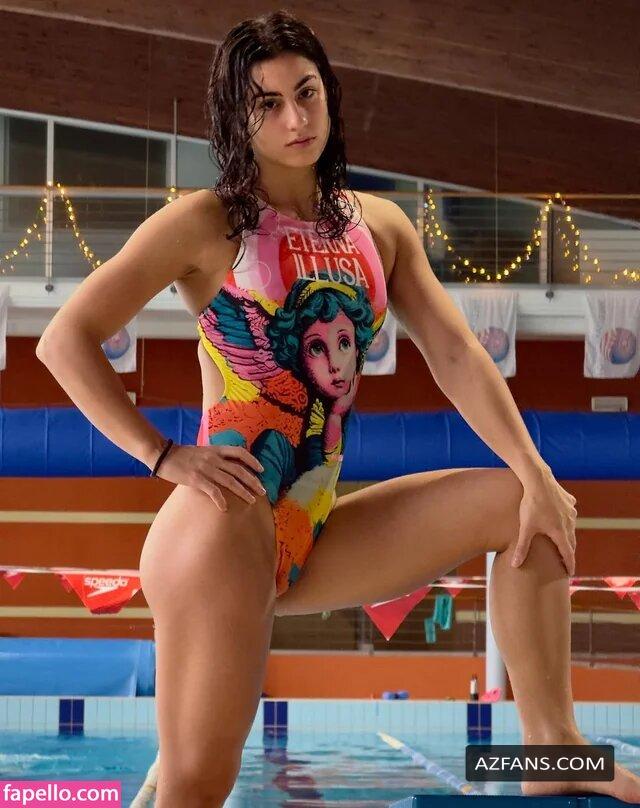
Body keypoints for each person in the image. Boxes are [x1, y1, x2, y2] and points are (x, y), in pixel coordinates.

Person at [35, 10, 640, 808]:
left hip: (311, 528)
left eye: (307, 93)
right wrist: (163, 455)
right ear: (237, 118)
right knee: (198, 787)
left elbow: (457, 352)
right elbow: (64, 339)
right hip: (225, 528)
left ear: (330, 95)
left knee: (523, 504)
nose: (295, 118)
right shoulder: (207, 225)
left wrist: (534, 468)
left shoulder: (378, 227)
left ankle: (552, 749)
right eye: (268, 104)